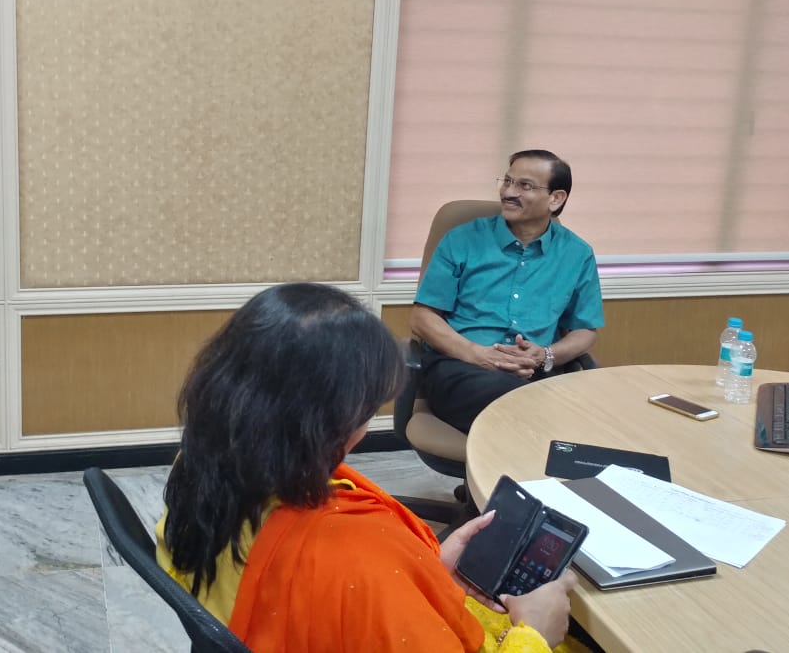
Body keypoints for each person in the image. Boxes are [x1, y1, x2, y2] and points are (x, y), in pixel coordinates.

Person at [157, 283, 583, 652]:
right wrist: (534, 633)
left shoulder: (198, 467)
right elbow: (359, 587)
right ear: (339, 422)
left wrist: (425, 573)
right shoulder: (358, 555)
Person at [411, 149, 604, 434]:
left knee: (587, 409)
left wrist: (546, 355)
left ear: (556, 198)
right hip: (462, 369)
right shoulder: (462, 239)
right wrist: (477, 354)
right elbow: (422, 318)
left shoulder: (577, 254)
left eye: (524, 185)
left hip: (535, 374)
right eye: (508, 181)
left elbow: (585, 330)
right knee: (533, 411)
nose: (509, 192)